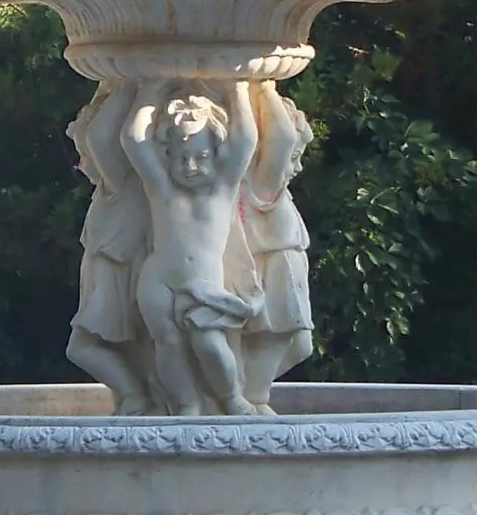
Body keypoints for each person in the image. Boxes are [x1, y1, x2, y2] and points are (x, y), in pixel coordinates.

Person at [122, 79, 259, 415]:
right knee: (167, 343)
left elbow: (245, 141)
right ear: (168, 157)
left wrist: (238, 91)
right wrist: (149, 92)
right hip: (157, 279)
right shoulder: (163, 189)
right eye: (182, 158)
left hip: (203, 285)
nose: (191, 166)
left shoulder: (222, 190)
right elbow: (134, 141)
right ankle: (186, 403)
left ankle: (231, 397)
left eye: (201, 156)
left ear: (217, 154)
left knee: (209, 343)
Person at [64, 83, 154, 413]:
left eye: (82, 149)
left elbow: (101, 136)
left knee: (82, 347)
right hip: (116, 271)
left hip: (118, 273)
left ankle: (135, 396)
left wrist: (126, 82)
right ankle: (137, 396)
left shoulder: (121, 180)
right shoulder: (114, 185)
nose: (81, 160)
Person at [238, 80, 314, 411]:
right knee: (279, 335)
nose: (298, 166)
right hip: (274, 267)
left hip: (280, 264)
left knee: (300, 345)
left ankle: (243, 390)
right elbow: (281, 137)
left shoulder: (267, 185)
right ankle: (253, 396)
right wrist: (264, 86)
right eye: (294, 157)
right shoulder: (262, 181)